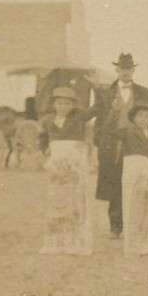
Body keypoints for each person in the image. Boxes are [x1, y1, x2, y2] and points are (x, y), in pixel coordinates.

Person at [93, 53, 148, 239]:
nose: (125, 72)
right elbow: (99, 118)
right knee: (114, 183)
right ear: (117, 70)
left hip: (136, 144)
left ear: (133, 70)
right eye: (122, 68)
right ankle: (115, 226)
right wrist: (99, 141)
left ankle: (136, 224)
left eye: (129, 68)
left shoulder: (144, 93)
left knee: (138, 182)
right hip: (113, 143)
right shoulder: (106, 92)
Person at [37, 86, 99, 255]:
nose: (63, 106)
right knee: (57, 200)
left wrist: (96, 88)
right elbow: (42, 137)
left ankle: (77, 243)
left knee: (77, 199)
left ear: (73, 105)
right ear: (54, 104)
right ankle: (56, 243)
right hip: (56, 164)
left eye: (66, 103)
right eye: (59, 103)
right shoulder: (47, 120)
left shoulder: (79, 117)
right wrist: (45, 149)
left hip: (76, 162)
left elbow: (97, 108)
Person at [117, 104, 148, 257]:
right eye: (140, 116)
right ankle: (133, 245)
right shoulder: (128, 132)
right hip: (134, 171)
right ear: (134, 118)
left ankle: (147, 244)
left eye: (147, 116)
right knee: (133, 205)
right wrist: (114, 111)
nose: (144, 119)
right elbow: (110, 131)